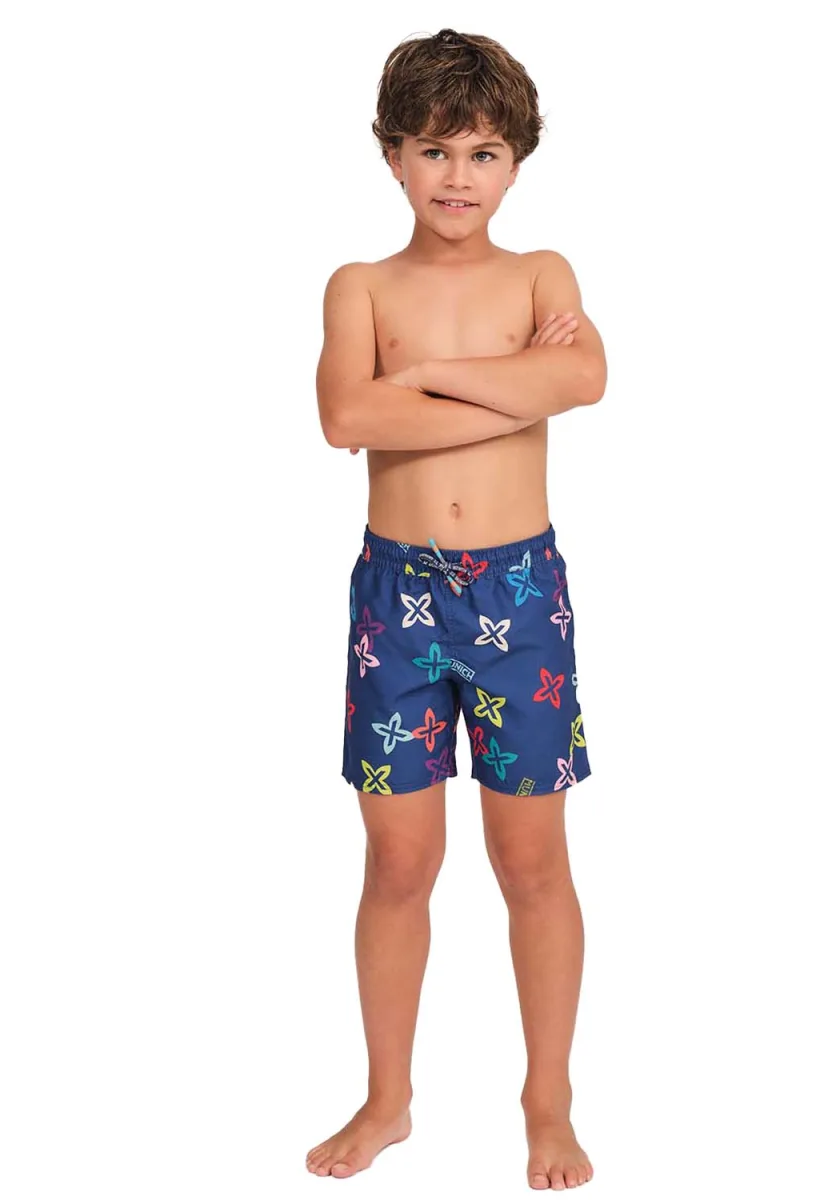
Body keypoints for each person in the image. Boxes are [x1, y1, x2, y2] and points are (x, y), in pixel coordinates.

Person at [309, 27, 605, 1191]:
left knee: (531, 860)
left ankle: (548, 1101)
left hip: (519, 596)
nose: (457, 176)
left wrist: (423, 382)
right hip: (398, 597)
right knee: (398, 862)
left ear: (517, 161)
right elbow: (346, 419)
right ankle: (389, 1099)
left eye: (483, 152)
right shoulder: (361, 287)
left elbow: (582, 378)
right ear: (392, 155)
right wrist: (513, 389)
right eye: (434, 150)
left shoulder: (541, 276)